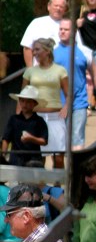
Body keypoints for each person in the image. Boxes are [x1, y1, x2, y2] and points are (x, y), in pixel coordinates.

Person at [22, 38, 68, 169]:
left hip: (55, 117)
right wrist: (19, 117)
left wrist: (66, 108)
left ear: (47, 51)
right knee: (38, 157)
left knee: (58, 157)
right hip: (36, 118)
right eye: (33, 50)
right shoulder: (30, 71)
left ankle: (58, 188)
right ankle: (38, 188)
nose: (34, 53)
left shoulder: (60, 70)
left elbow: (68, 93)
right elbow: (22, 96)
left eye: (37, 49)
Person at [53, 17, 92, 151]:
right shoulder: (52, 53)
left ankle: (76, 170)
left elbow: (95, 75)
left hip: (79, 102)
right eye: (61, 29)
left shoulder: (84, 52)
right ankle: (60, 171)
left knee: (77, 137)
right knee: (59, 142)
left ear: (74, 32)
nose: (62, 32)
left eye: (66, 29)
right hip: (58, 103)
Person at [2, 85, 48, 166]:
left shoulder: (39, 121)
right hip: (15, 160)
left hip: (34, 160)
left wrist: (31, 138)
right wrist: (3, 155)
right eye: (22, 101)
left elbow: (44, 141)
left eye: (28, 101)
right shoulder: (13, 119)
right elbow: (6, 139)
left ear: (35, 103)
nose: (24, 104)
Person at [20, 0, 68, 67]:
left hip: (63, 71)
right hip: (40, 72)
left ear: (65, 10)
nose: (58, 8)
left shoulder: (68, 26)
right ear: (49, 6)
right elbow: (27, 47)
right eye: (56, 5)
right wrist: (30, 70)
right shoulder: (37, 23)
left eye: (61, 7)